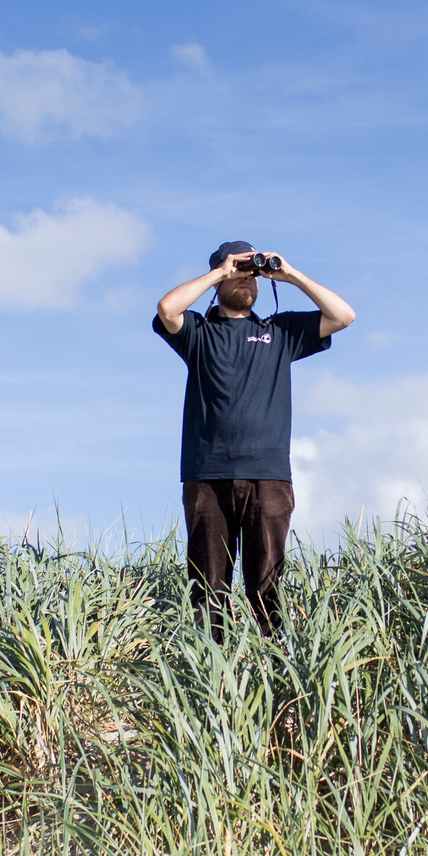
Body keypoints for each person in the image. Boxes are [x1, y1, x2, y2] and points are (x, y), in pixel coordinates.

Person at [153, 241, 355, 633]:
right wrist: (220, 271)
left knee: (267, 589)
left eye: (252, 273)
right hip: (207, 476)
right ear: (221, 279)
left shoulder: (279, 331)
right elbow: (167, 309)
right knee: (207, 592)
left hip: (269, 477)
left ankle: (278, 677)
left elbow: (344, 316)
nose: (247, 279)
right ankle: (210, 680)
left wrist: (290, 274)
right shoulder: (198, 332)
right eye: (239, 272)